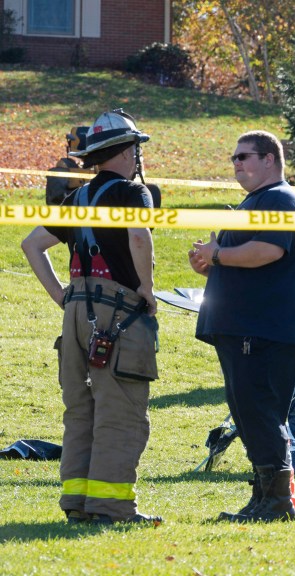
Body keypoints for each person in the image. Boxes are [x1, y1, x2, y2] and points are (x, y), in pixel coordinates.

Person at [20, 109, 161, 526]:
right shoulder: (134, 193)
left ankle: (78, 502)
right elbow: (139, 237)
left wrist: (63, 297)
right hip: (117, 314)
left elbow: (32, 245)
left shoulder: (76, 198)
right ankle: (112, 507)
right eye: (136, 148)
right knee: (121, 411)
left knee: (81, 410)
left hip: (76, 314)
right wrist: (148, 290)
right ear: (128, 151)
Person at [188, 131, 295, 523]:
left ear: (270, 159)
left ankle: (277, 503)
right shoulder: (255, 201)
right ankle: (264, 498)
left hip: (263, 330)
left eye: (244, 156)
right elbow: (242, 255)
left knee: (258, 413)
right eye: (234, 158)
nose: (237, 163)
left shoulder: (280, 199)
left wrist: (219, 254)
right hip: (248, 328)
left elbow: (268, 251)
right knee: (250, 414)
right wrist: (210, 259)